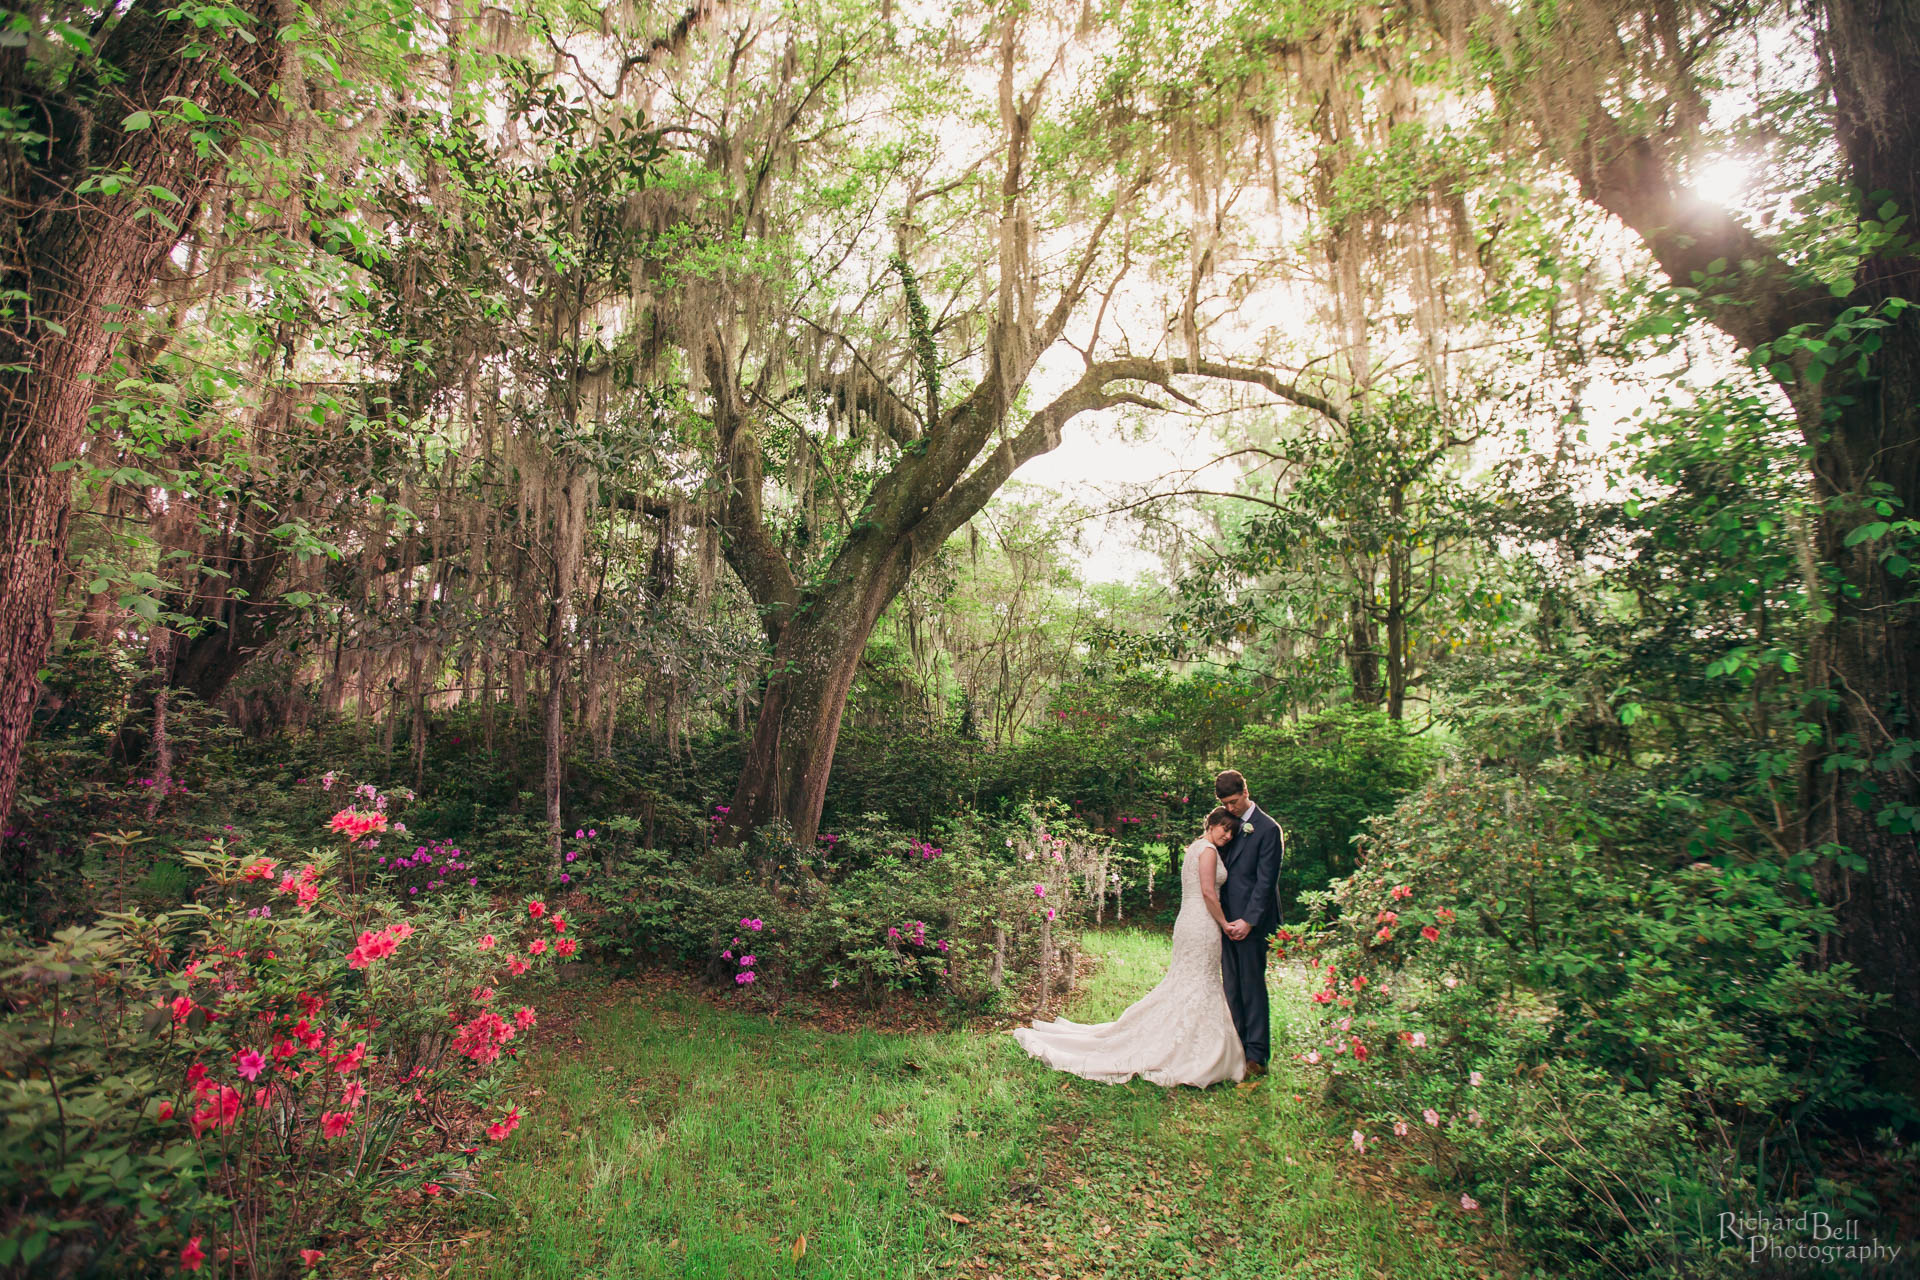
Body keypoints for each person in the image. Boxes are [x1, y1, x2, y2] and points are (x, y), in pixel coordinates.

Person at [1007, 808, 1247, 1087]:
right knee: (1198, 981)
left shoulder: (1195, 847)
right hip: (1202, 923)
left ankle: (1192, 1040)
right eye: (1224, 829)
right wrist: (1225, 923)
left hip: (1191, 921)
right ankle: (1196, 1051)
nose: (1228, 836)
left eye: (1232, 832)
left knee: (1189, 981)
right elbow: (1207, 891)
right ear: (1212, 824)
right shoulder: (1207, 851)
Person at [1212, 768, 1283, 1075]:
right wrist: (1223, 919)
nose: (1230, 808)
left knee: (1252, 985)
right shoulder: (1227, 824)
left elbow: (1266, 882)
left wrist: (1248, 921)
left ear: (1245, 792)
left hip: (1252, 922)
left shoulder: (1268, 829)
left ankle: (1257, 1055)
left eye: (1233, 801)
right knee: (1232, 985)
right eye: (1225, 804)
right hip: (1226, 921)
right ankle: (1236, 1045)